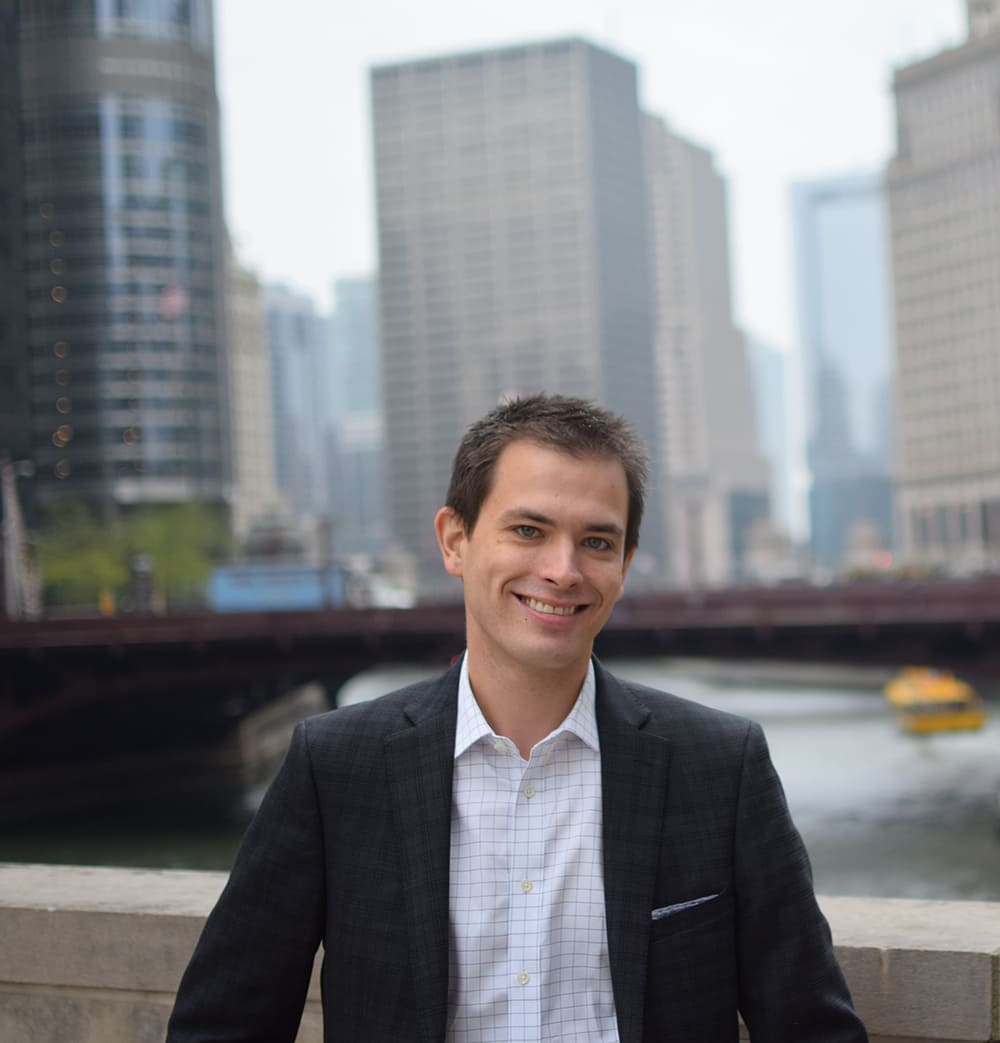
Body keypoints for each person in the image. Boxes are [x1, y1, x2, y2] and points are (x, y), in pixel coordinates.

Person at [166, 393, 867, 1042]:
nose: (563, 569)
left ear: (625, 563)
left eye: (597, 541)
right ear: (455, 539)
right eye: (529, 529)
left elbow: (812, 1028)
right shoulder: (336, 766)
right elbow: (224, 1024)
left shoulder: (722, 766)